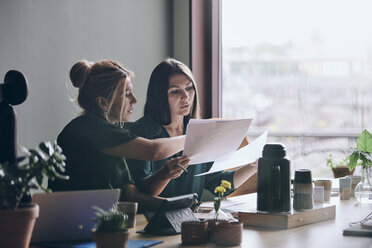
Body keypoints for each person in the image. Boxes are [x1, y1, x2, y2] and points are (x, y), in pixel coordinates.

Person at [50, 59, 190, 210]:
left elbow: (131, 196)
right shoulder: (87, 129)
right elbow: (153, 151)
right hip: (73, 224)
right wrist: (192, 137)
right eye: (127, 94)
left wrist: (178, 205)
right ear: (103, 103)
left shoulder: (115, 138)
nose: (134, 100)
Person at [126, 58, 257, 200]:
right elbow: (140, 193)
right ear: (159, 96)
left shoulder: (199, 131)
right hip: (150, 219)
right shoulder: (140, 132)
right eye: (175, 91)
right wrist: (165, 175)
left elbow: (217, 183)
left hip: (191, 220)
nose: (186, 96)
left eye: (189, 88)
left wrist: (253, 166)